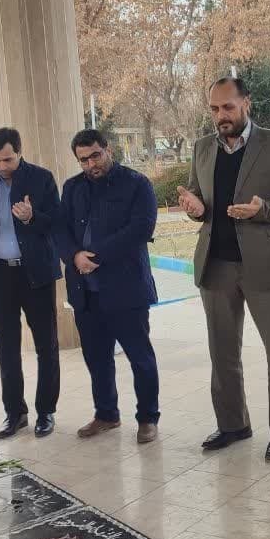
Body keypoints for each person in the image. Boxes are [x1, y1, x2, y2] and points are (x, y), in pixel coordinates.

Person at [177, 77, 270, 461]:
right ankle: (233, 424)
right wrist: (195, 208)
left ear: (246, 103)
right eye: (214, 109)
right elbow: (198, 199)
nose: (221, 115)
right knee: (222, 353)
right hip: (216, 266)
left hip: (266, 267)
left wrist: (262, 210)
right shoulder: (202, 148)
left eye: (228, 107)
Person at [53, 129, 162, 444]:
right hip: (85, 291)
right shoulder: (72, 188)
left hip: (126, 288)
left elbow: (141, 228)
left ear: (108, 150)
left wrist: (96, 257)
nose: (91, 164)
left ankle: (148, 419)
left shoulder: (137, 184)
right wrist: (74, 256)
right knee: (97, 358)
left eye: (95, 156)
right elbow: (60, 229)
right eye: (83, 160)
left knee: (140, 358)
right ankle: (106, 414)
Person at [0, 127, 63, 439]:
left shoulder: (41, 178)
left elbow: (56, 223)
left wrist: (31, 217)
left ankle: (46, 411)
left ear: (19, 152)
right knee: (6, 349)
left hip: (35, 273)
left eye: (8, 159)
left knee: (46, 345)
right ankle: (14, 413)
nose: (2, 166)